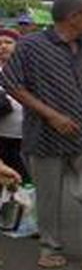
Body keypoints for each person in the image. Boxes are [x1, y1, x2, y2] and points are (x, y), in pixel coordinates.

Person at [0, 0, 82, 270]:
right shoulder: (31, 45)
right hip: (44, 137)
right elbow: (12, 83)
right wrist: (51, 115)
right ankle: (50, 248)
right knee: (49, 198)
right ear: (73, 17)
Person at [0, 28, 29, 182]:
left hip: (27, 136)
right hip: (2, 137)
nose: (3, 46)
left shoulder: (30, 70)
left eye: (8, 42)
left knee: (26, 178)